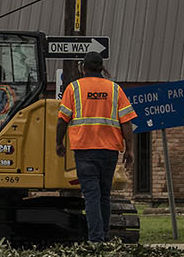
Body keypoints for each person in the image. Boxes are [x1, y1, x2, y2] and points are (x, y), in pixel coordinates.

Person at [54, 55, 136, 243]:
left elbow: (62, 120)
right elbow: (126, 122)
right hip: (109, 151)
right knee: (104, 195)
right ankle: (104, 236)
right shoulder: (115, 89)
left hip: (84, 150)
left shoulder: (74, 88)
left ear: (83, 68)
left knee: (91, 195)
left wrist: (59, 142)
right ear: (101, 68)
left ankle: (96, 239)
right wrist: (129, 149)